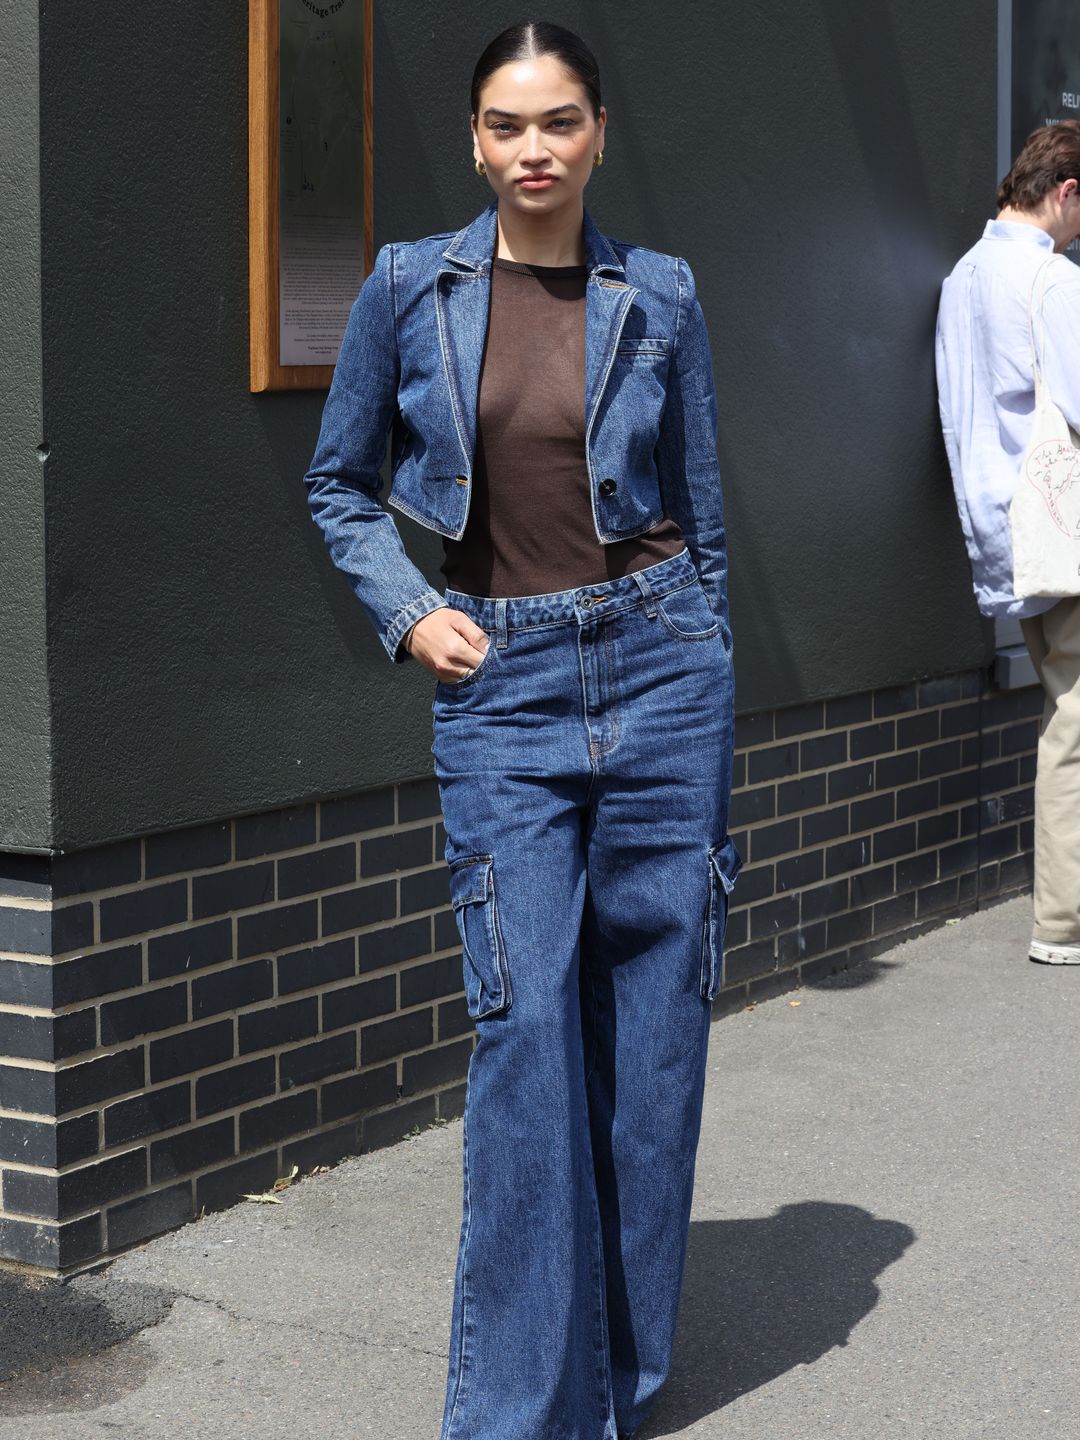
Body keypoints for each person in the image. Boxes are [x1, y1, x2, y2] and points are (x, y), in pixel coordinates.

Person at [303, 21, 738, 1439]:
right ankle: (515, 1418)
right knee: (528, 1032)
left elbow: (705, 513)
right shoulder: (404, 289)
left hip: (664, 668)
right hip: (506, 689)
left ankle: (616, 1383)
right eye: (507, 124)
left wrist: (707, 653)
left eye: (559, 122)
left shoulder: (658, 290)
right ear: (477, 140)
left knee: (656, 1040)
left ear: (600, 130)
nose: (534, 150)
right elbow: (340, 487)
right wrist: (407, 613)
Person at [936, 121, 1080, 967]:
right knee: (1076, 722)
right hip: (1065, 525)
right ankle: (1063, 920)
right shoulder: (1051, 279)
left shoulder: (964, 277)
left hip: (1009, 532)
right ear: (1065, 191)